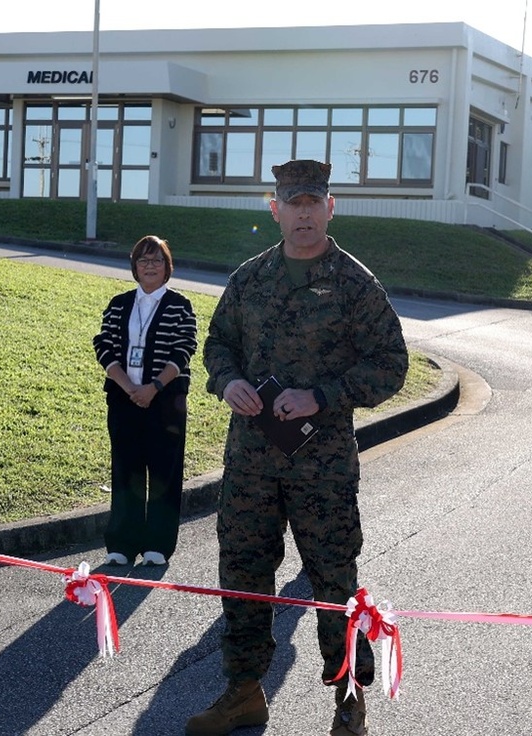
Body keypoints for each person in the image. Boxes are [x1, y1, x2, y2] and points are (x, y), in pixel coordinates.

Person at [189, 160, 409, 736]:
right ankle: (242, 692)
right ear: (275, 209)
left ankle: (349, 697)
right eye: (294, 202)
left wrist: (322, 396)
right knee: (242, 574)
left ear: (330, 207)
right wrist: (226, 381)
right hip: (251, 464)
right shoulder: (250, 278)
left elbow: (391, 365)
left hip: (323, 466)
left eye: (314, 201)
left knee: (333, 579)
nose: (304, 212)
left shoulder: (355, 283)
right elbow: (217, 343)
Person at [92, 235, 198, 567]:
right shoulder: (119, 303)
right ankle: (122, 543)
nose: (150, 266)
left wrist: (152, 387)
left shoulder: (180, 305)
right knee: (126, 469)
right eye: (143, 260)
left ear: (167, 267)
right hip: (124, 400)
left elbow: (184, 349)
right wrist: (128, 387)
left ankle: (158, 544)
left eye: (157, 260)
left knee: (165, 471)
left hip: (166, 401)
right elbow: (104, 345)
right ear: (134, 267)